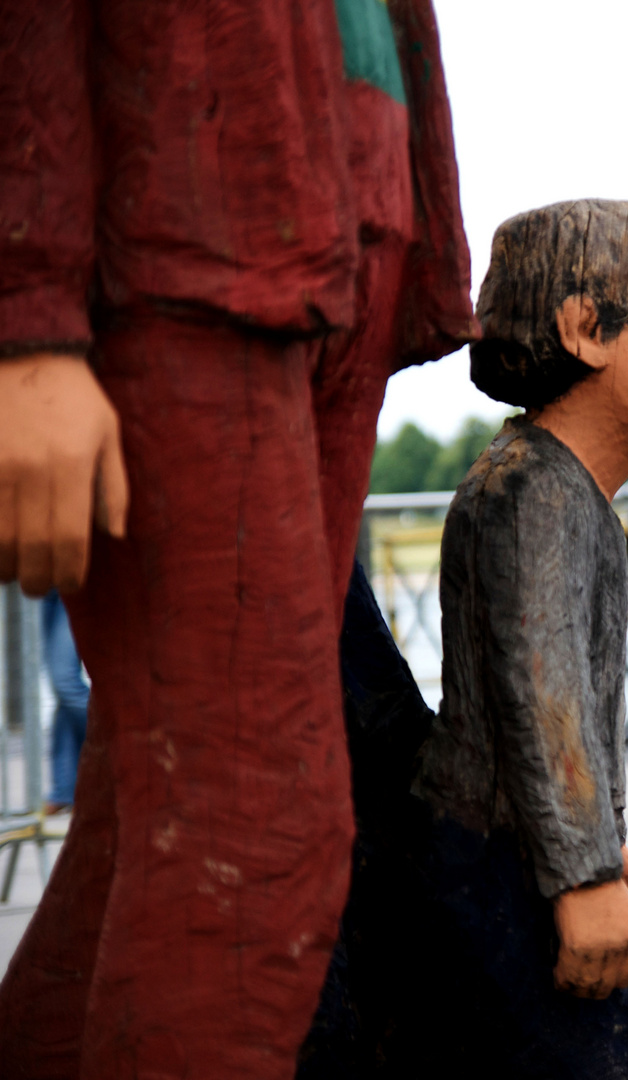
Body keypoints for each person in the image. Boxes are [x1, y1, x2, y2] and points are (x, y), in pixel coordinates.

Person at [0, 3, 477, 1075]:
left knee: (158, 808)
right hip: (179, 220)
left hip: (340, 225)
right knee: (258, 823)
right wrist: (24, 309)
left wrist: (424, 242)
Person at [301, 200, 628, 1077]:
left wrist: (599, 845)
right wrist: (582, 874)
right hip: (494, 859)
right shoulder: (538, 497)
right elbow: (540, 693)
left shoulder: (555, 485)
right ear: (586, 329)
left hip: (512, 843)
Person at [40, 590, 89, 815]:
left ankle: (121, 735)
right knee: (63, 696)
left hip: (79, 580)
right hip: (48, 585)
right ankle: (65, 789)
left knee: (65, 682)